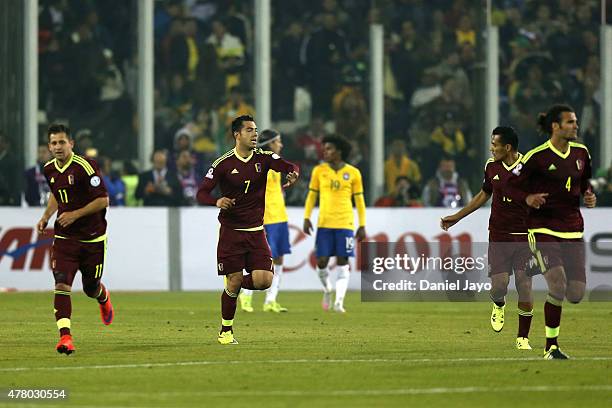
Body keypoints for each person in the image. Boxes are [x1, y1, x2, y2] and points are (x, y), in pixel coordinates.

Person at [197, 115, 299, 345]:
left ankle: (232, 285)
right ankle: (226, 331)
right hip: (231, 232)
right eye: (249, 130)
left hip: (256, 232)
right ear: (237, 134)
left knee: (264, 281)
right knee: (234, 283)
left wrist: (293, 173)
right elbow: (201, 192)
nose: (255, 134)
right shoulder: (222, 164)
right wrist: (217, 201)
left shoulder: (263, 159)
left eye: (255, 130)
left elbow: (288, 165)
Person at [506, 104, 596, 359]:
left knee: (576, 294)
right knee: (558, 284)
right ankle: (551, 346)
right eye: (570, 122)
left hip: (572, 229)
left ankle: (534, 264)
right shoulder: (536, 157)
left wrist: (589, 195)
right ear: (555, 127)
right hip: (543, 228)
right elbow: (510, 187)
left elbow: (585, 182)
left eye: (575, 121)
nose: (575, 126)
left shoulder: (582, 153)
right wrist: (527, 198)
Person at [441, 126, 534, 350]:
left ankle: (523, 338)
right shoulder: (491, 166)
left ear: (508, 147)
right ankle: (498, 304)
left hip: (525, 235)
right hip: (499, 234)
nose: (491, 148)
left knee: (525, 285)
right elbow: (484, 194)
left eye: (494, 144)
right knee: (499, 287)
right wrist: (457, 217)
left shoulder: (530, 168)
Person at [36, 123, 114, 355]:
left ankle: (102, 296)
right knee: (61, 284)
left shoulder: (85, 166)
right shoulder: (49, 169)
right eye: (53, 143)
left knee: (90, 288)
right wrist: (46, 216)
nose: (58, 147)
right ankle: (65, 338)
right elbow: (56, 194)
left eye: (62, 142)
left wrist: (76, 214)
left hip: (92, 239)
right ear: (49, 147)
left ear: (71, 143)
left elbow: (103, 200)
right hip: (65, 237)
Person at [303, 135, 366, 313]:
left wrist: (362, 224)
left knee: (342, 260)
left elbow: (359, 201)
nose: (325, 151)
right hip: (324, 224)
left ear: (339, 151)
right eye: (324, 148)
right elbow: (312, 196)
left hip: (345, 223)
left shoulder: (354, 173)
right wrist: (306, 217)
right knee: (322, 261)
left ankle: (339, 302)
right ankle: (327, 289)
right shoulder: (319, 171)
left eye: (329, 148)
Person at [239, 129, 292, 313]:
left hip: (280, 218)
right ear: (269, 144)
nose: (281, 145)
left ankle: (271, 300)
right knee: (257, 259)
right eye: (278, 141)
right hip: (263, 219)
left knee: (278, 258)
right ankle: (245, 296)